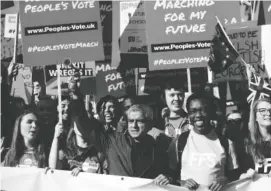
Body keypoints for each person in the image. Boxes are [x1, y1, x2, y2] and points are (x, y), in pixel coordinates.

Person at [168, 93, 239, 191]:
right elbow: (170, 176)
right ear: (188, 114)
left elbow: (236, 176)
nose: (198, 115)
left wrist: (225, 179)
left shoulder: (226, 142)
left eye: (203, 110)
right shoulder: (179, 142)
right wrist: (182, 182)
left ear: (210, 112)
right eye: (193, 111)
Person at [240, 98, 271, 178]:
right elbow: (240, 174)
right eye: (262, 110)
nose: (268, 113)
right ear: (255, 116)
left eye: (270, 110)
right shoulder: (247, 143)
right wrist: (245, 175)